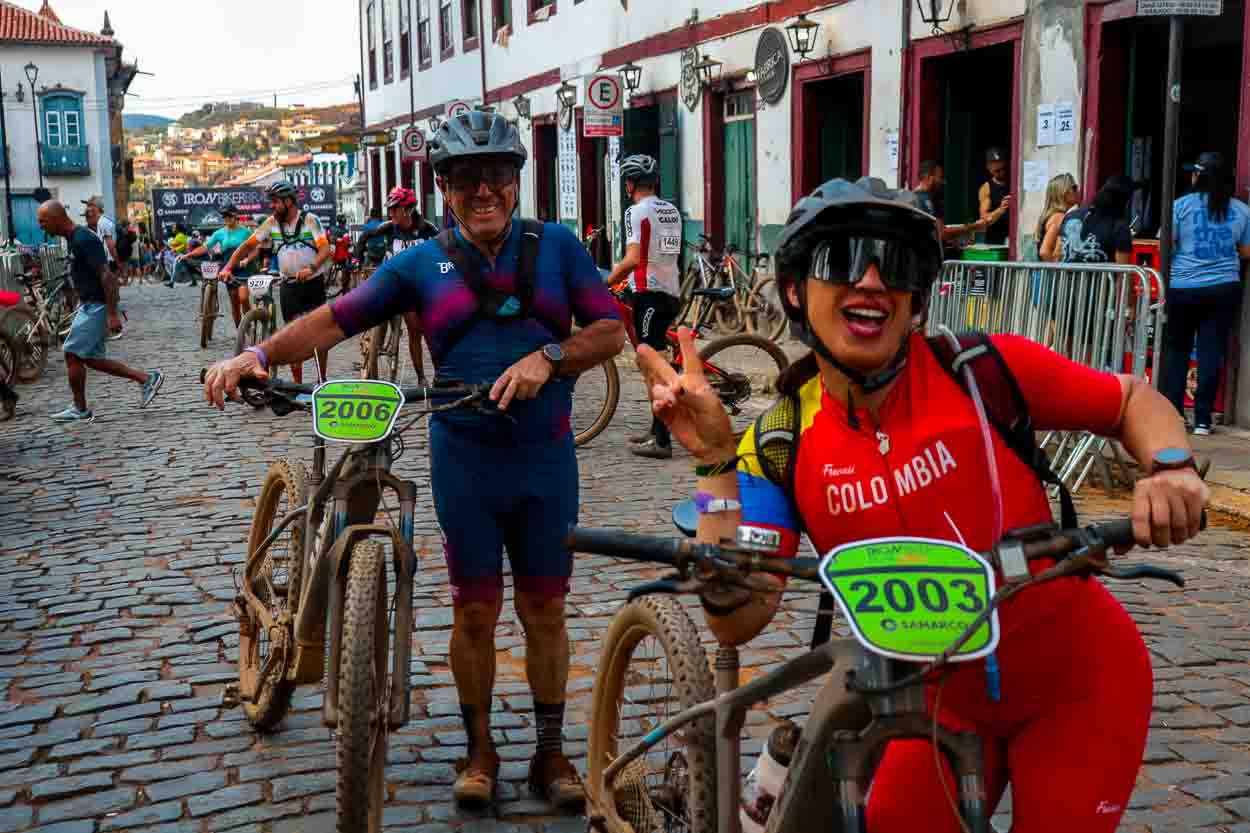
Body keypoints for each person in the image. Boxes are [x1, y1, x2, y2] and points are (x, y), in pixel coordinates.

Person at [635, 176, 1208, 833]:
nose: (872, 280)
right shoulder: (781, 443)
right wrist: (714, 460)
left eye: (896, 262)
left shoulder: (981, 372)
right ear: (796, 290)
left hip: (1079, 684)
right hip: (936, 707)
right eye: (843, 258)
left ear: (915, 297)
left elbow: (1133, 401)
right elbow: (738, 618)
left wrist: (1170, 467)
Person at [203, 110, 624, 812]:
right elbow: (336, 318)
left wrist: (550, 356)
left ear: (516, 181)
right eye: (466, 179)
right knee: (475, 613)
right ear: (444, 188)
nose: (483, 191)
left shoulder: (558, 248)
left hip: (545, 458)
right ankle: (479, 748)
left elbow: (609, 329)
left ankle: (551, 752)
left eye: (496, 176)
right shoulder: (417, 264)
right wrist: (255, 354)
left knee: (546, 608)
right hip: (466, 460)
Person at [37, 200, 163, 422]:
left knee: (72, 354)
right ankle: (146, 378)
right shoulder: (73, 239)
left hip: (97, 306)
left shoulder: (83, 238)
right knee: (92, 359)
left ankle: (81, 409)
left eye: (43, 221)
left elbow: (107, 276)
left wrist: (112, 313)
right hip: (90, 304)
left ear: (57, 218)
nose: (41, 226)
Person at [1161, 151, 1250, 436]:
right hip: (1224, 289)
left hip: (1183, 288)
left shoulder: (1180, 206)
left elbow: (1166, 244)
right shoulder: (1241, 210)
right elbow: (1246, 251)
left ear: (1198, 177)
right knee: (1212, 352)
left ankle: (1175, 415)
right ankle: (1202, 419)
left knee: (1177, 351)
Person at [602, 154, 683, 459]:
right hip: (670, 291)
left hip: (649, 294)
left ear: (631, 183)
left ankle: (662, 440)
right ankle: (655, 428)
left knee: (652, 362)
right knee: (652, 358)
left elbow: (635, 258)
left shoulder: (637, 212)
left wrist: (609, 281)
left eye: (627, 181)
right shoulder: (670, 209)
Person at [220, 181, 334, 384]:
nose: (271, 206)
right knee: (292, 337)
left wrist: (312, 268)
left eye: (275, 202)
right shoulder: (271, 223)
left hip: (313, 284)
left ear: (289, 201)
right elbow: (246, 246)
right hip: (288, 286)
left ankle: (321, 379)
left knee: (320, 336)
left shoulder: (310, 220)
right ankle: (297, 385)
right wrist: (228, 267)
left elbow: (325, 249)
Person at [352, 186, 439, 383]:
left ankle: (425, 376)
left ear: (407, 210)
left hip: (420, 286)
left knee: (423, 329)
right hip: (394, 282)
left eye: (394, 209)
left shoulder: (427, 229)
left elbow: (444, 248)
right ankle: (377, 347)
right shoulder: (388, 228)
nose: (390, 213)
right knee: (392, 317)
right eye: (389, 209)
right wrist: (356, 259)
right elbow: (365, 237)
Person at [180, 204, 260, 328]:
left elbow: (255, 250)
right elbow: (205, 247)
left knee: (244, 298)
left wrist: (247, 260)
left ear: (235, 216)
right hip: (229, 270)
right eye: (224, 216)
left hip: (245, 270)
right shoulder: (219, 233)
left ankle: (249, 325)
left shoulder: (246, 232)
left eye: (229, 215)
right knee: (234, 303)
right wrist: (188, 255)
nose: (226, 218)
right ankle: (240, 331)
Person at [1060, 176, 1135, 265]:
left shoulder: (1071, 216)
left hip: (1065, 277)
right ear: (1125, 201)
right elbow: (1123, 273)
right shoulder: (1119, 226)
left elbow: (1058, 253)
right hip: (1101, 278)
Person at [914, 160, 988, 248]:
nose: (943, 181)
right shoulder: (922, 199)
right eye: (940, 177)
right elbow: (942, 234)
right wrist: (972, 227)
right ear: (929, 178)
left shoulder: (923, 197)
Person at [1035, 173, 1080, 262]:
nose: (1077, 191)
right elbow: (1044, 252)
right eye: (1074, 188)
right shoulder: (1059, 217)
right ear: (1063, 192)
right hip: (1050, 273)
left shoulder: (1052, 215)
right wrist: (1057, 270)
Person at [977, 148, 1012, 245]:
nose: (1002, 172)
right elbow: (984, 220)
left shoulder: (1015, 182)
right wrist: (1001, 209)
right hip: (996, 239)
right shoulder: (986, 188)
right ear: (988, 167)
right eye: (997, 170)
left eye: (1004, 168)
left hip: (1014, 234)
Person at [83, 196, 119, 267]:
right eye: (88, 207)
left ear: (98, 209)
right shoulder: (87, 229)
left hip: (107, 263)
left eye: (91, 206)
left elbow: (110, 245)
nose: (88, 209)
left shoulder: (104, 222)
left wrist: (118, 263)